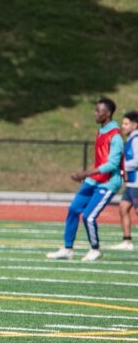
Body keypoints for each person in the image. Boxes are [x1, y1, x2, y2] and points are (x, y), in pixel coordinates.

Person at [47, 97, 124, 262]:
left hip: (109, 182)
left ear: (108, 113)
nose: (95, 113)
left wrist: (85, 173)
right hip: (95, 179)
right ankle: (67, 249)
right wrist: (86, 173)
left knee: (89, 216)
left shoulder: (116, 136)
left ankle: (95, 249)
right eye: (95, 110)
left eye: (98, 110)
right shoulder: (101, 130)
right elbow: (100, 160)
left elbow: (112, 164)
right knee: (74, 209)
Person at [111, 110, 138, 251]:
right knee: (123, 208)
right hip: (132, 183)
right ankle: (127, 241)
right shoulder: (130, 139)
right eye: (123, 123)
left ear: (135, 125)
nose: (123, 126)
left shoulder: (137, 139)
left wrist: (121, 166)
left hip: (137, 184)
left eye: (126, 123)